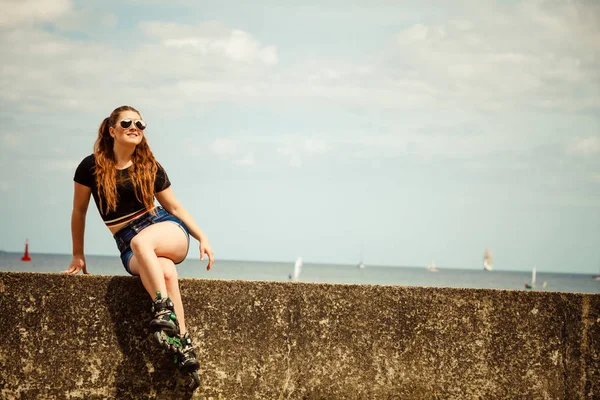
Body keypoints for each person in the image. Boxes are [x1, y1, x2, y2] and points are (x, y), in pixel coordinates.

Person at [62, 105, 214, 375]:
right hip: (127, 243)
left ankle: (162, 309)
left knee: (142, 242)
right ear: (112, 130)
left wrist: (201, 236)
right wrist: (78, 254)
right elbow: (79, 211)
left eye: (140, 124)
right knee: (166, 273)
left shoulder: (149, 166)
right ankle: (183, 345)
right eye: (127, 123)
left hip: (164, 228)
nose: (135, 127)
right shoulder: (90, 167)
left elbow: (175, 208)